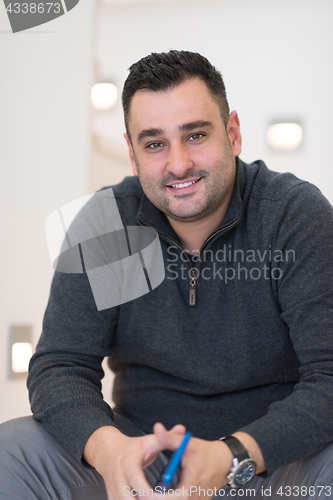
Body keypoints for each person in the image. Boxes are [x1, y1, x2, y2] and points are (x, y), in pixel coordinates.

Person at [1, 50, 333, 500]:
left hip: (270, 462)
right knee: (13, 450)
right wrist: (109, 451)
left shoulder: (292, 214)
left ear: (232, 134)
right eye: (154, 143)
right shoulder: (109, 222)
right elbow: (62, 365)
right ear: (134, 155)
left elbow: (328, 376)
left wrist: (230, 456)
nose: (178, 164)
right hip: (141, 456)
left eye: (195, 135)